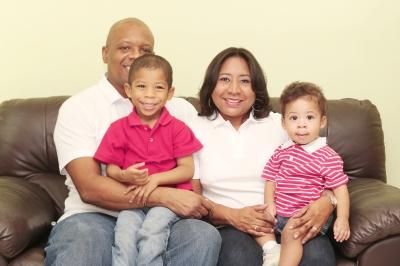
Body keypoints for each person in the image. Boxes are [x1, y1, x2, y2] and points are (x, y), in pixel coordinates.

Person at [44, 18, 221, 266]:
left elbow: (197, 173)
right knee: (83, 242)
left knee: (202, 235)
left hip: (167, 216)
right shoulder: (79, 108)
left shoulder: (180, 110)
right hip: (95, 215)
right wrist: (164, 196)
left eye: (145, 50)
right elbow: (90, 188)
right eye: (125, 48)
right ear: (105, 54)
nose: (135, 56)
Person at [191, 47, 338, 266]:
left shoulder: (280, 124)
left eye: (244, 81)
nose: (234, 90)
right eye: (224, 79)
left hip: (290, 219)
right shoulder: (194, 129)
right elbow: (192, 197)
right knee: (239, 257)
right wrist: (232, 215)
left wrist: (327, 202)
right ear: (211, 84)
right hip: (230, 225)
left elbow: (327, 170)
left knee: (317, 257)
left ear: (256, 88)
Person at [94, 54, 203, 266]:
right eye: (142, 86)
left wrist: (155, 180)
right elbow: (111, 169)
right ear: (128, 90)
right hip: (132, 200)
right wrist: (125, 175)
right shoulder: (118, 129)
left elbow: (186, 170)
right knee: (124, 236)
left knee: (152, 231)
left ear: (170, 93)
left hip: (169, 201)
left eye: (158, 88)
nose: (149, 95)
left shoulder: (178, 128)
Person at [261, 81, 350, 266]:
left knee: (292, 232)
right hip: (281, 215)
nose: (301, 125)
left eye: (309, 117)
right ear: (283, 122)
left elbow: (340, 190)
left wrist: (342, 218)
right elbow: (270, 179)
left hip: (308, 217)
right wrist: (269, 204)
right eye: (294, 118)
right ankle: (271, 250)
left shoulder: (327, 155)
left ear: (322, 121)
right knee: (257, 223)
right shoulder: (282, 151)